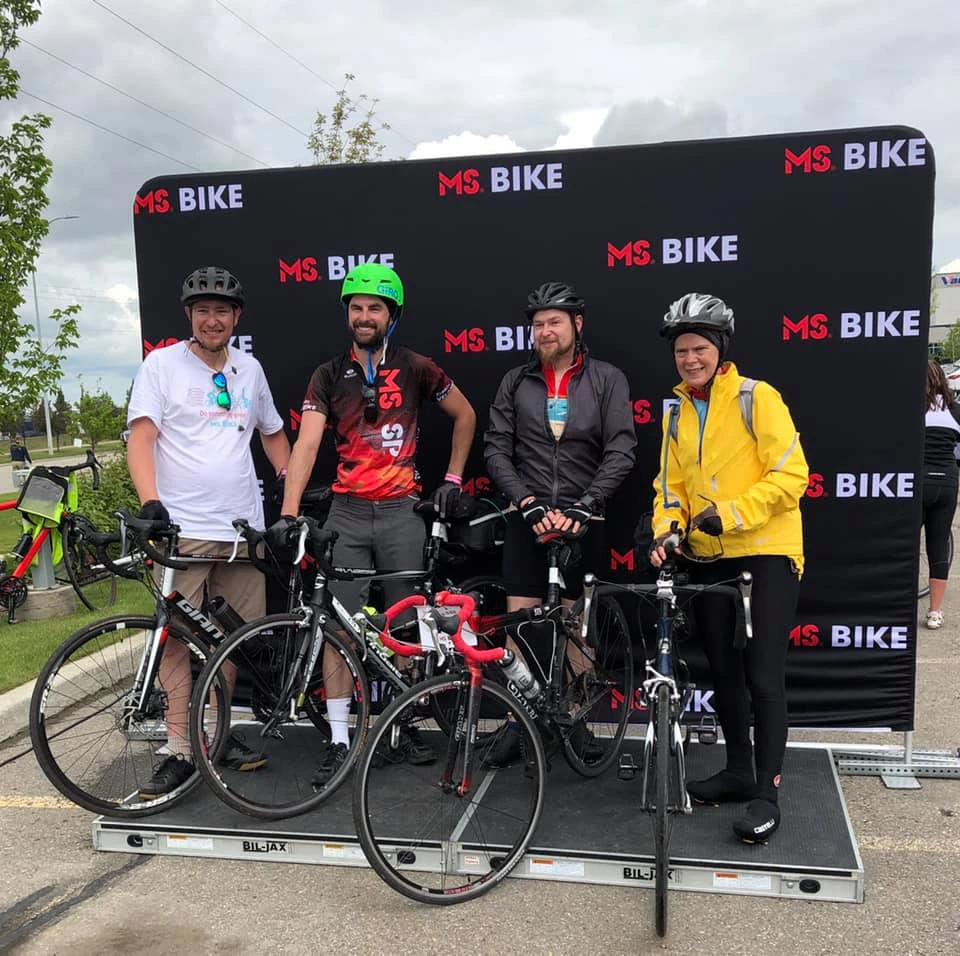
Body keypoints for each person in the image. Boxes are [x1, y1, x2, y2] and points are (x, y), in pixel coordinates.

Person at [268, 262, 477, 783]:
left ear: (392, 315)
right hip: (348, 514)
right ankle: (340, 739)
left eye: (374, 308)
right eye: (356, 307)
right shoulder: (327, 373)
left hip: (402, 510)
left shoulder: (417, 366)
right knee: (339, 627)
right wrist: (289, 514)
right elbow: (307, 444)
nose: (364, 316)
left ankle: (402, 724)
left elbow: (466, 415)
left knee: (404, 625)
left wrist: (452, 479)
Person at [648, 292, 808, 844]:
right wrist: (666, 527)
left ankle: (767, 793)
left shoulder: (754, 398)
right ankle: (739, 770)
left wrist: (729, 515)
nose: (690, 359)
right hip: (708, 559)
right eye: (681, 351)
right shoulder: (675, 413)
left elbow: (793, 476)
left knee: (763, 673)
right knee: (724, 672)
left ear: (719, 349)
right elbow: (668, 487)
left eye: (699, 349)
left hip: (765, 552)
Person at [126, 265, 291, 798]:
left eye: (222, 310)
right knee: (176, 640)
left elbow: (273, 435)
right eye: (203, 311)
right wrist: (150, 500)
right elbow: (141, 436)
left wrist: (293, 491)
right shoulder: (162, 366)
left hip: (243, 529)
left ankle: (214, 735)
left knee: (229, 641)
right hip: (184, 531)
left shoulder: (250, 369)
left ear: (236, 317)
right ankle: (179, 747)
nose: (213, 319)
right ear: (190, 317)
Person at [483, 281, 637, 763]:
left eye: (555, 321)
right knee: (521, 624)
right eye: (538, 324)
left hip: (583, 518)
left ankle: (573, 721)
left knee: (578, 627)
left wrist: (585, 503)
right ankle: (517, 722)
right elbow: (495, 448)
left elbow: (621, 448)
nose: (545, 331)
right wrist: (525, 501)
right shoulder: (515, 381)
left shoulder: (607, 378)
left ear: (577, 325)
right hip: (527, 520)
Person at [921, 359, 960, 629]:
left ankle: (900, 604)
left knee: (907, 545)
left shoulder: (912, 408)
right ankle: (935, 612)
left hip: (917, 481)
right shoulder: (956, 410)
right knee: (938, 546)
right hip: (947, 482)